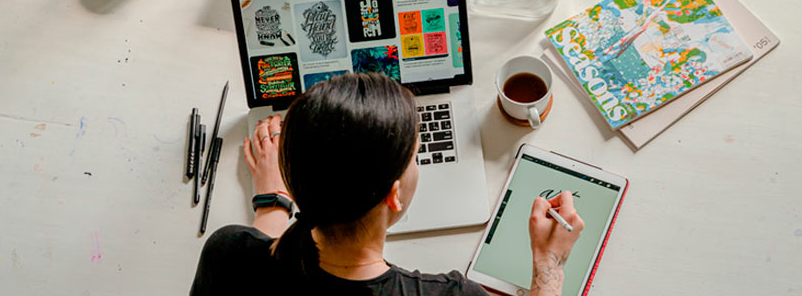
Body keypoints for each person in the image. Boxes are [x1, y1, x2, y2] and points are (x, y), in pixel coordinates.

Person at [191, 73, 584, 295]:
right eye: (414, 156)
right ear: (393, 194)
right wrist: (549, 265)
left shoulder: (227, 254)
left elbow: (260, 256)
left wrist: (271, 203)